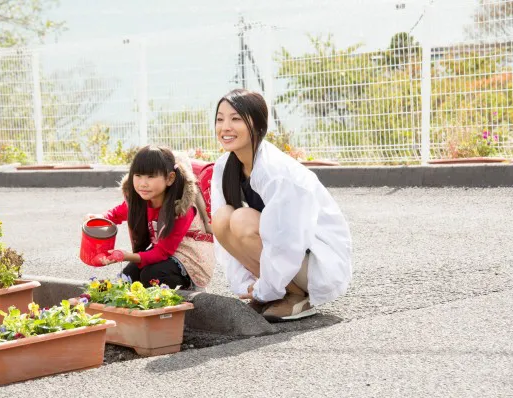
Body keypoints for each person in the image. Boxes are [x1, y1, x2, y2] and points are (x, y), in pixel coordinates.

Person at [211, 89, 352, 322]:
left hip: (315, 261)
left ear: (257, 124)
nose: (225, 127)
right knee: (222, 218)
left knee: (241, 219)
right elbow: (226, 239)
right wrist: (249, 286)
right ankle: (278, 291)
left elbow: (287, 240)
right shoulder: (224, 166)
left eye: (235, 119)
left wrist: (264, 289)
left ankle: (297, 295)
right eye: (220, 119)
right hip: (289, 256)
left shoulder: (274, 170)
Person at [86, 145, 213, 290]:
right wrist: (99, 217)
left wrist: (125, 256)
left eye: (151, 176)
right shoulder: (141, 200)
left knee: (151, 275)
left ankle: (188, 290)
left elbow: (162, 252)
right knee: (127, 278)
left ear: (170, 178)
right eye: (138, 175)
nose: (143, 183)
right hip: (162, 254)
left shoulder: (181, 208)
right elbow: (115, 214)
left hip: (190, 259)